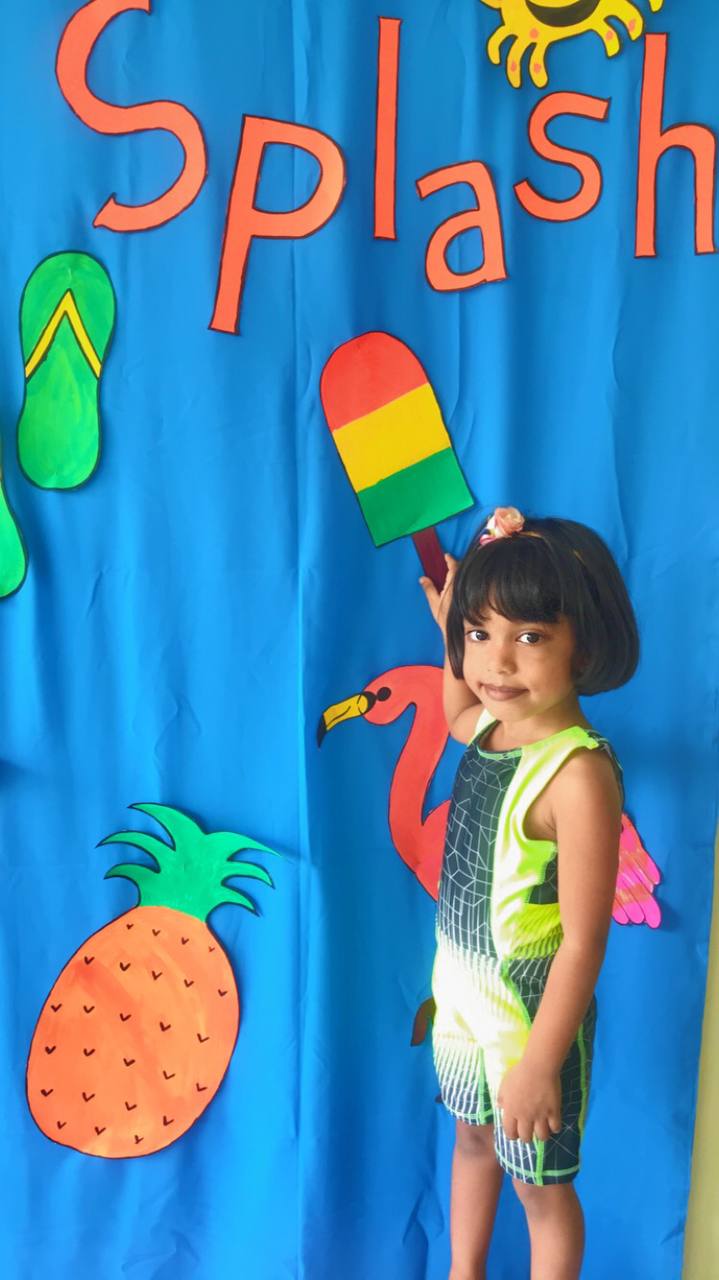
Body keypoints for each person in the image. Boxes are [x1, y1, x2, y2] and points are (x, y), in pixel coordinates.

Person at [419, 506, 639, 1280]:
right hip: (461, 1002)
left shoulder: (577, 774)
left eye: (530, 637)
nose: (497, 664)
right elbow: (455, 710)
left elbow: (584, 939)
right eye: (482, 634)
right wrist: (453, 631)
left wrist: (542, 1061)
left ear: (584, 641)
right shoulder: (488, 728)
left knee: (538, 1186)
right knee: (471, 1141)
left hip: (527, 1013)